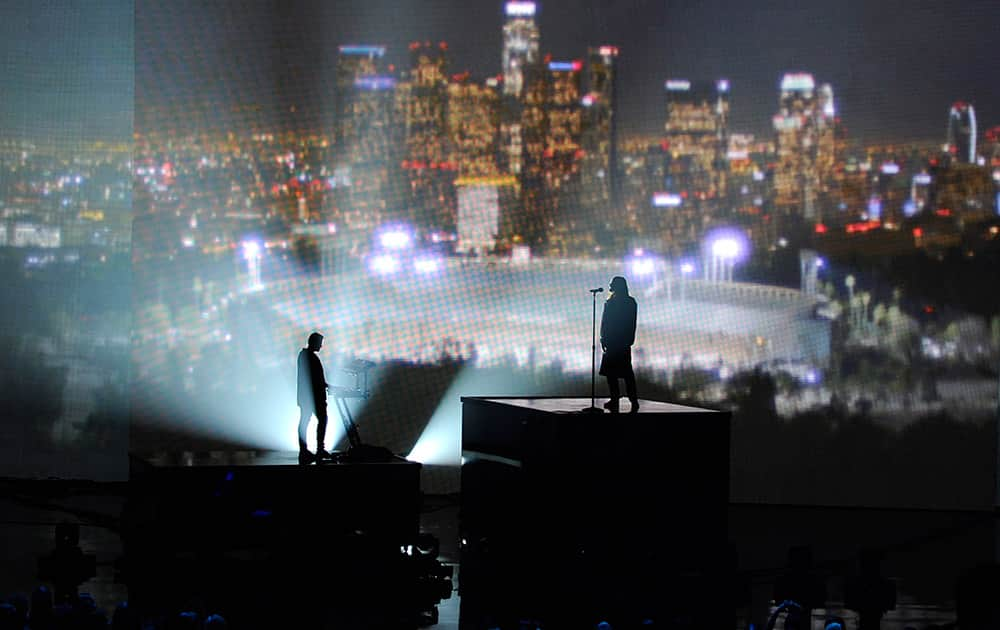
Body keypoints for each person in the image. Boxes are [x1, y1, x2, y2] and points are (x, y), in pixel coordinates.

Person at [599, 276, 639, 413]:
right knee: (620, 373)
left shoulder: (615, 302)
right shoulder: (629, 302)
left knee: (621, 373)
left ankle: (624, 399)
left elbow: (606, 322)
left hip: (617, 341)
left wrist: (603, 337)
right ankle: (626, 399)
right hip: (618, 341)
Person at [297, 332, 330, 461]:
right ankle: (318, 449)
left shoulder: (305, 356)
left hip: (308, 397)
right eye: (320, 343)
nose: (321, 346)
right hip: (313, 397)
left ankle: (305, 450)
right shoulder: (310, 357)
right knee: (321, 420)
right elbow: (315, 379)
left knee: (306, 421)